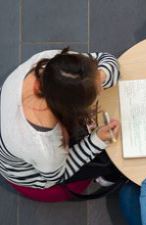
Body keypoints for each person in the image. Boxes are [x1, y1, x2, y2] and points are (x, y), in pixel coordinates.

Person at [0, 48, 122, 189]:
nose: (101, 89)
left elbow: (106, 59)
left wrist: (99, 77)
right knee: (108, 161)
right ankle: (105, 178)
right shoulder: (45, 148)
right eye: (99, 90)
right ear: (73, 109)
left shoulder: (56, 65)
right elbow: (58, 176)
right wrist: (96, 141)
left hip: (13, 137)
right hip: (27, 172)